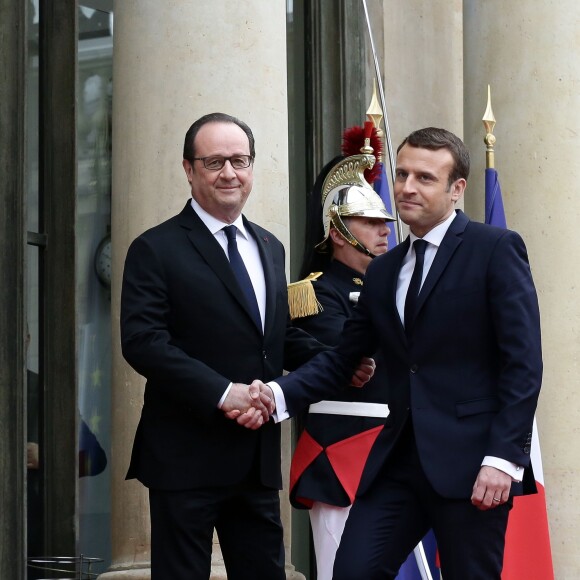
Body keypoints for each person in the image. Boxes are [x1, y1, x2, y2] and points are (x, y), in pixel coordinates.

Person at [249, 127, 543, 579]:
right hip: (396, 464)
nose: (406, 187)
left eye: (425, 178)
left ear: (456, 188)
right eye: (402, 173)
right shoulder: (385, 270)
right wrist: (276, 395)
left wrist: (503, 459)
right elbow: (341, 359)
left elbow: (523, 365)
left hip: (473, 466)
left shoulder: (495, 249)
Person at [120, 112, 373, 580]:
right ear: (189, 169)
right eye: (214, 162)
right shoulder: (155, 249)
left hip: (255, 458)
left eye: (239, 160)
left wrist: (337, 362)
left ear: (253, 167)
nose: (229, 173)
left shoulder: (268, 246)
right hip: (184, 458)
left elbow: (272, 339)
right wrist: (224, 392)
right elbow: (143, 343)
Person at [288, 127, 394, 580]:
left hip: (400, 452)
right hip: (342, 452)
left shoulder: (398, 284)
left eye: (384, 222)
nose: (384, 230)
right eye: (370, 223)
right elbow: (345, 354)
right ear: (338, 231)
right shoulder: (313, 293)